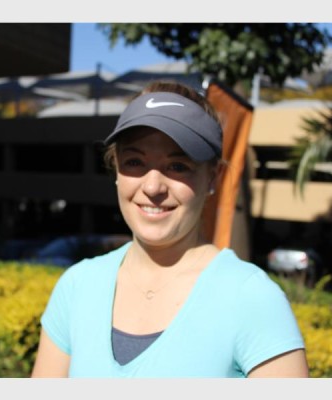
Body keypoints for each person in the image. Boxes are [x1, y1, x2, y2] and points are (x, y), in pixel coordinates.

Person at [31, 80, 309, 378]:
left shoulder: (252, 298)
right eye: (134, 162)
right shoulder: (78, 286)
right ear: (116, 171)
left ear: (212, 178)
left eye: (178, 166)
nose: (153, 187)